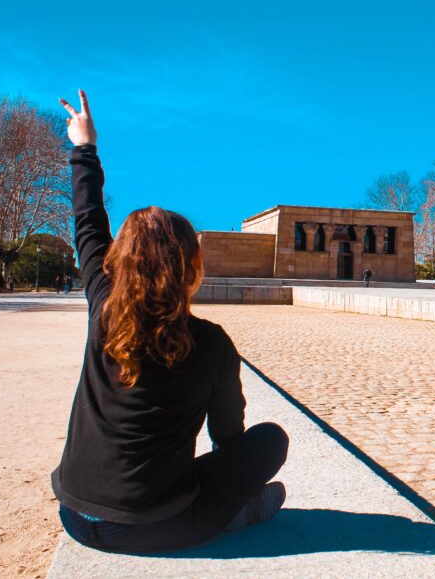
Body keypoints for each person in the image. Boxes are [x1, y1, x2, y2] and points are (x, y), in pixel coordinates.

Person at [51, 90, 289, 554]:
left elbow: (88, 222)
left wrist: (85, 148)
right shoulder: (211, 343)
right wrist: (227, 485)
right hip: (156, 525)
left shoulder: (104, 310)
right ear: (191, 265)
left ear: (119, 262)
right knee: (270, 441)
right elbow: (228, 437)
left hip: (75, 514)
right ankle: (232, 515)